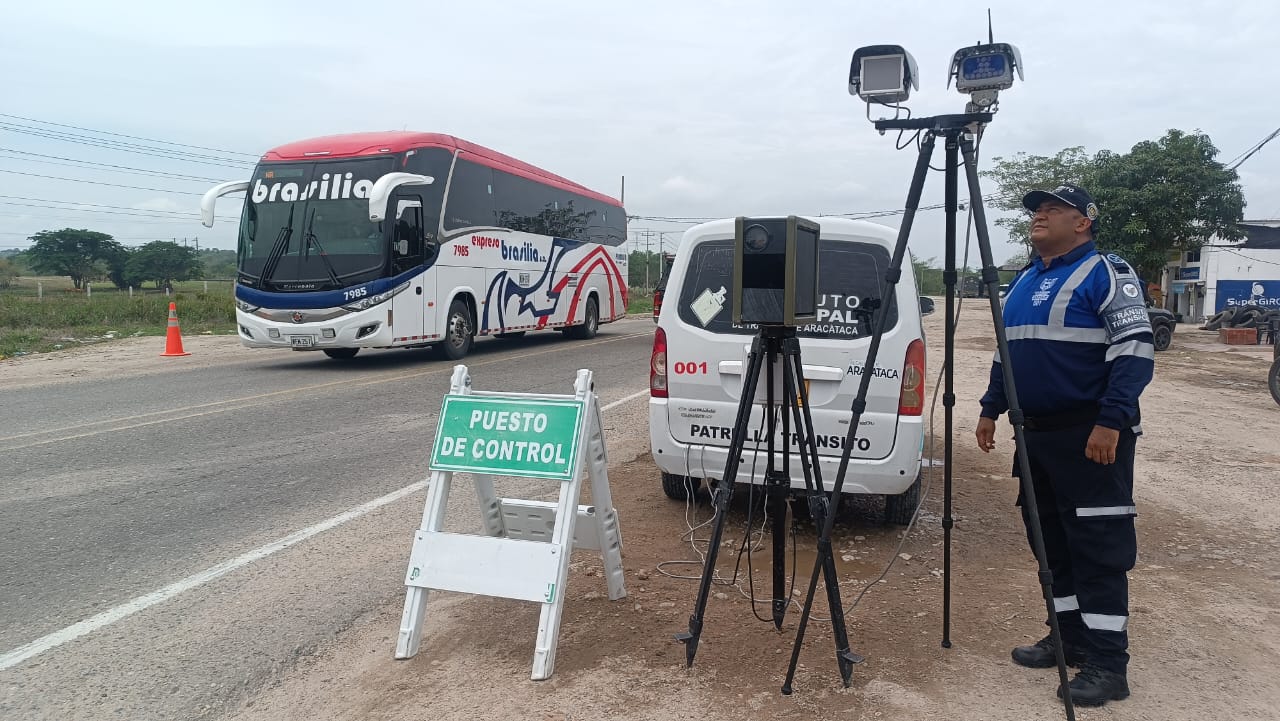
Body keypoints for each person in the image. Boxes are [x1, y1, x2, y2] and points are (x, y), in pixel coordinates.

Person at [976, 184, 1154, 707]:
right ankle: (1068, 638)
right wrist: (991, 408)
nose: (1040, 216)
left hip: (1090, 437)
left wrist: (1111, 422)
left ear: (1083, 223)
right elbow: (1006, 354)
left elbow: (1135, 354)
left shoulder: (1107, 274)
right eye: (1036, 210)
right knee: (1050, 542)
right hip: (1035, 437)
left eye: (1054, 210)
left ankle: (1107, 664)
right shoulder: (1025, 278)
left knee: (1097, 550)